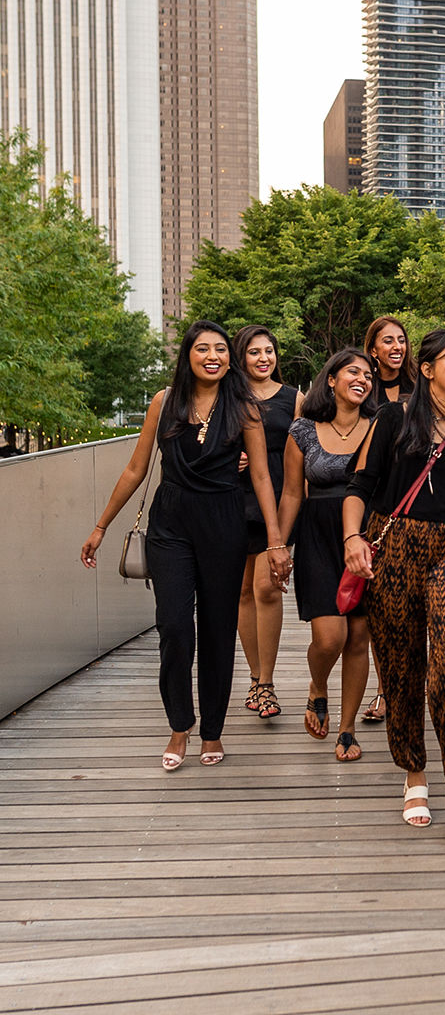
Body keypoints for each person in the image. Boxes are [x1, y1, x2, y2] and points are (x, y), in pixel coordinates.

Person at [80, 321, 291, 771]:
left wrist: (275, 542)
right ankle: (180, 724)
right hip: (170, 522)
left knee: (217, 629)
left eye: (220, 349)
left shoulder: (245, 408)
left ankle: (212, 729)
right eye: (202, 348)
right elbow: (137, 468)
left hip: (224, 521)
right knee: (174, 626)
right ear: (188, 355)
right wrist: (101, 526)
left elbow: (260, 477)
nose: (212, 355)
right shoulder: (165, 401)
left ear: (229, 358)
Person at [342, 329, 445, 847]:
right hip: (395, 544)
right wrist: (352, 538)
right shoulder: (392, 418)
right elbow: (360, 485)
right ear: (427, 368)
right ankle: (414, 773)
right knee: (402, 667)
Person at [277, 349, 377, 762]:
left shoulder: (379, 427)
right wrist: (279, 545)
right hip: (317, 536)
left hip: (368, 538)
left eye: (368, 375)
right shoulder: (301, 430)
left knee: (358, 636)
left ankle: (347, 728)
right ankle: (318, 685)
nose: (363, 379)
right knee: (329, 636)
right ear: (331, 380)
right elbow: (290, 493)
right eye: (353, 371)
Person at [231, 324, 302, 721]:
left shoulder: (294, 398)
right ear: (241, 357)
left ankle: (269, 682)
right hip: (233, 497)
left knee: (267, 587)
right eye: (255, 352)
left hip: (278, 497)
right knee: (242, 591)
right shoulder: (229, 396)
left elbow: (306, 445)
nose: (264, 358)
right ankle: (255, 677)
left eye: (269, 351)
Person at [357, 316, 418, 724]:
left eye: (401, 340)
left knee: (411, 609)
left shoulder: (423, 389)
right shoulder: (362, 390)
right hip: (372, 503)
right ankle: (383, 690)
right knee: (379, 606)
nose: (396, 347)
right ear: (373, 349)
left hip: (416, 502)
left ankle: (412, 685)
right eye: (387, 341)